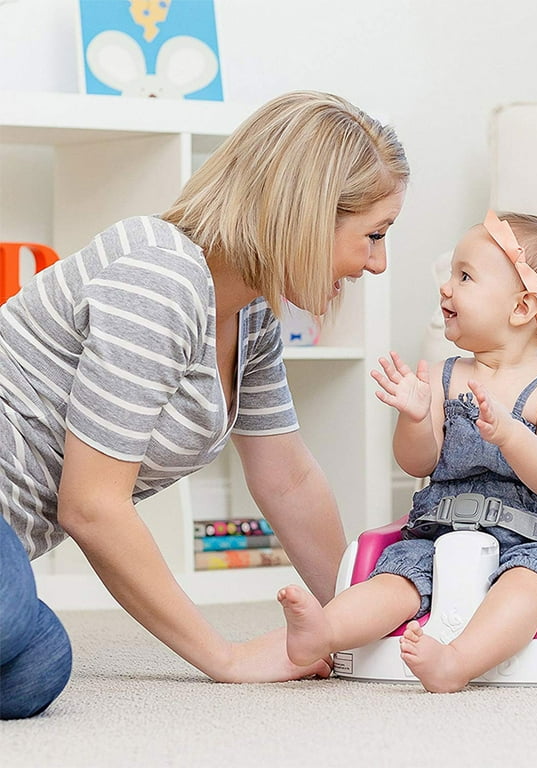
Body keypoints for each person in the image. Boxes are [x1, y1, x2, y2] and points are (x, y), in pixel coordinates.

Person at [0, 90, 409, 718]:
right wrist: (228, 657)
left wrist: (357, 622)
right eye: (373, 235)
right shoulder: (159, 275)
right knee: (11, 613)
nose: (378, 264)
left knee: (39, 662)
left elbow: (289, 478)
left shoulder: (251, 317)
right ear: (306, 216)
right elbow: (91, 506)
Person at [278, 209, 537, 693]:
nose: (446, 287)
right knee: (396, 579)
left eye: (465, 276)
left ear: (523, 309)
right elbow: (418, 463)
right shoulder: (447, 375)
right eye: (450, 275)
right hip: (439, 532)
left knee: (527, 587)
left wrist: (512, 435)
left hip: (531, 539)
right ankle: (324, 632)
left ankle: (457, 662)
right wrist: (416, 416)